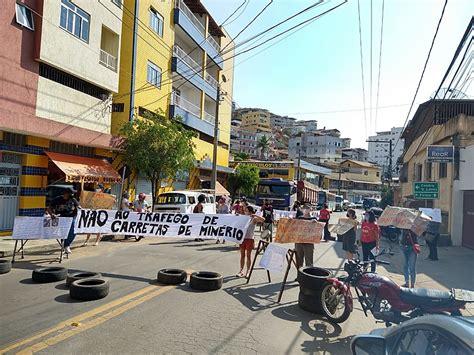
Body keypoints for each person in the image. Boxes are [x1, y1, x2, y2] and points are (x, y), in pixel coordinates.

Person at [47, 187, 80, 254]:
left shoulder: (73, 199)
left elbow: (78, 207)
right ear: (66, 193)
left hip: (71, 218)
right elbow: (49, 208)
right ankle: (63, 244)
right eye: (71, 193)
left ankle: (67, 245)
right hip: (61, 218)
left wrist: (81, 210)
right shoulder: (57, 199)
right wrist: (52, 214)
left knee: (73, 231)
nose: (73, 194)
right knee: (63, 233)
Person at [237, 205, 264, 278]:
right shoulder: (243, 218)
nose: (245, 212)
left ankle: (248, 271)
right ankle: (241, 270)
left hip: (250, 239)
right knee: (242, 255)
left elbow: (263, 220)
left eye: (247, 211)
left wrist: (255, 215)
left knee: (248, 256)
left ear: (250, 212)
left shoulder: (254, 219)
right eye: (245, 211)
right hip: (242, 238)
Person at [295, 204, 316, 269]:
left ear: (310, 210)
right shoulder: (299, 218)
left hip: (309, 242)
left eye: (308, 208)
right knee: (299, 260)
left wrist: (315, 223)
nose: (306, 210)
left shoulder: (313, 219)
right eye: (305, 208)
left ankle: (309, 277)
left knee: (309, 261)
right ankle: (299, 276)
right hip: (299, 242)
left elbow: (317, 230)